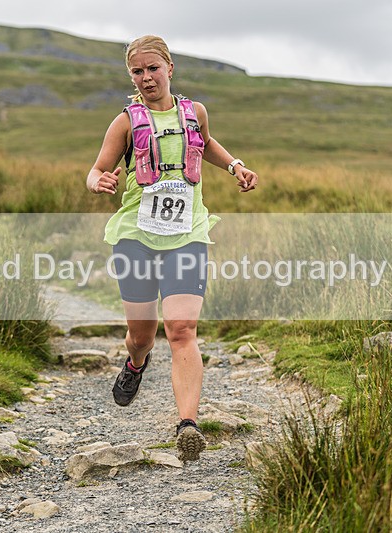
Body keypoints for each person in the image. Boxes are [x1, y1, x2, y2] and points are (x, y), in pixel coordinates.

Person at [86, 35, 259, 461]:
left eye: (153, 69)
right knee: (141, 335)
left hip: (187, 234)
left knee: (181, 330)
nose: (146, 78)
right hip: (136, 237)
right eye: (137, 72)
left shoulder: (193, 112)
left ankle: (187, 425)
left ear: (169, 68)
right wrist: (99, 182)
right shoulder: (125, 122)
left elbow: (207, 143)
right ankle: (136, 363)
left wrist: (236, 165)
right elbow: (97, 169)